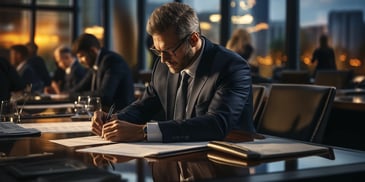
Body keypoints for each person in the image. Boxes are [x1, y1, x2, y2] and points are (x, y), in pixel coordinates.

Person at [91, 2, 255, 143]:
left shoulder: (231, 67)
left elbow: (216, 124)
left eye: (169, 50)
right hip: (178, 157)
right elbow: (143, 107)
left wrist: (143, 132)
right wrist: (114, 120)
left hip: (225, 161)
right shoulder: (163, 67)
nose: (163, 59)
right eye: (158, 50)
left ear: (193, 39)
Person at [70, 33, 135, 111]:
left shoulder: (111, 61)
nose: (80, 61)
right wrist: (68, 95)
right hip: (105, 112)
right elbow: (80, 87)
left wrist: (74, 96)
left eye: (82, 56)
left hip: (119, 114)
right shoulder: (96, 63)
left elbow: (104, 95)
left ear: (93, 50)